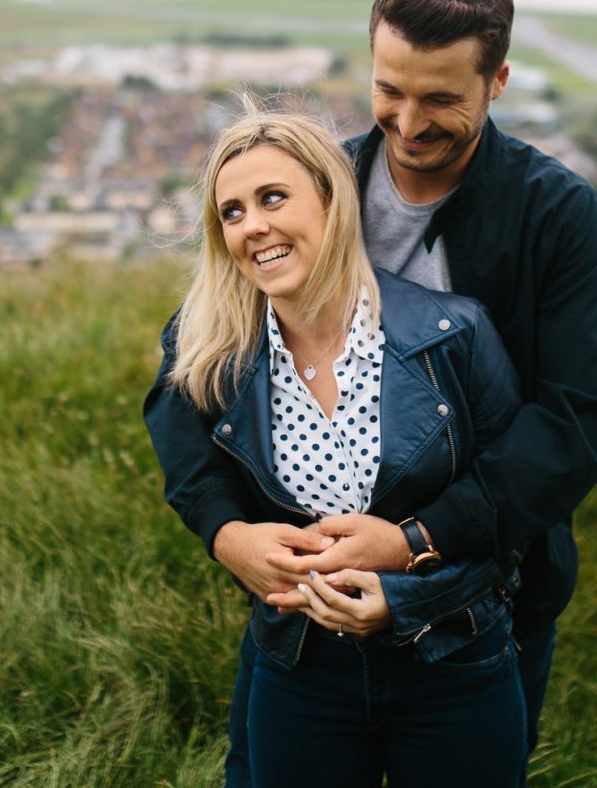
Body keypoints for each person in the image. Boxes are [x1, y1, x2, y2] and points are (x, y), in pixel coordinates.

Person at [144, 0, 597, 785]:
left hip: (487, 585)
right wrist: (229, 534)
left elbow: (574, 422)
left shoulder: (554, 213)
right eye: (388, 89)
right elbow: (188, 375)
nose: (408, 122)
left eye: (441, 97)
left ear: (498, 79)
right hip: (304, 618)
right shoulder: (316, 187)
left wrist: (414, 544)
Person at [148, 106, 530, 786]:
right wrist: (228, 536)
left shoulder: (454, 334)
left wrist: (406, 595)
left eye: (272, 197)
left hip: (453, 658)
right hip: (300, 667)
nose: (253, 224)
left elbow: (512, 514)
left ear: (332, 201)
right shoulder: (211, 348)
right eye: (231, 212)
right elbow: (190, 468)